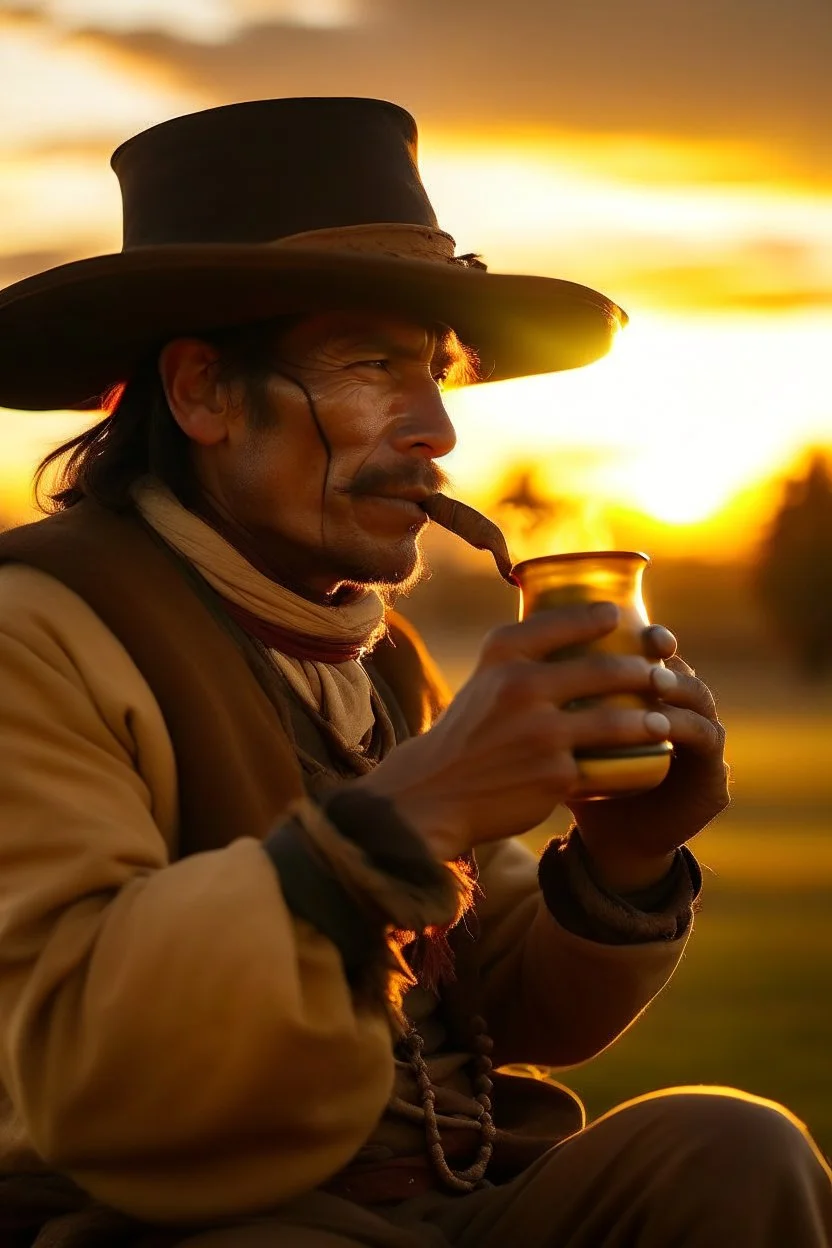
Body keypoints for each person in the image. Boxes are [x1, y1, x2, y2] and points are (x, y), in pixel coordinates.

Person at [0, 97, 827, 1248]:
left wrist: (626, 861)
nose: (437, 427)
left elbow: (494, 1005)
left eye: (437, 372)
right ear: (200, 395)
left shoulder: (380, 655)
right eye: (369, 365)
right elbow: (86, 1066)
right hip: (198, 1221)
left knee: (730, 1150)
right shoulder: (36, 631)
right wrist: (409, 813)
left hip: (453, 1202)